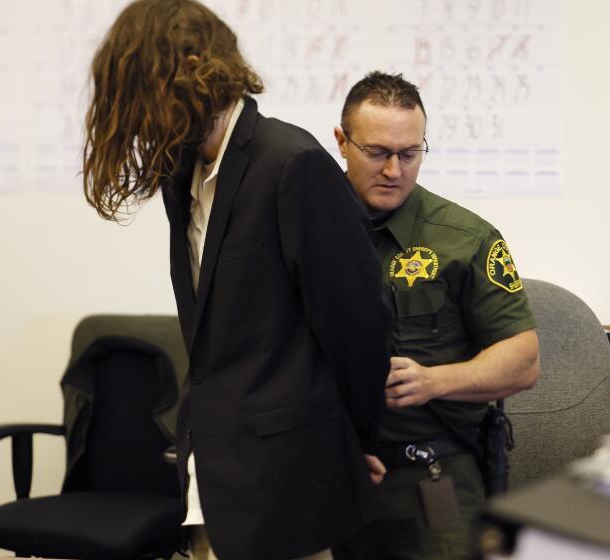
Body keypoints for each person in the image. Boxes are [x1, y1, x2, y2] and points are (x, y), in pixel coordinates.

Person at [82, 3, 391, 559]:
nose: (131, 116)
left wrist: (357, 441)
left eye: (139, 93)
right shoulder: (185, 177)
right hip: (214, 486)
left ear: (195, 70)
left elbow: (359, 325)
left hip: (288, 487)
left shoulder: (291, 163)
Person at [332, 71, 541, 560]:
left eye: (410, 154)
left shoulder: (464, 239)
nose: (394, 170)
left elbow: (523, 361)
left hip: (432, 467)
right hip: (331, 469)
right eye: (378, 153)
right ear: (342, 142)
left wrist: (433, 381)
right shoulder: (304, 230)